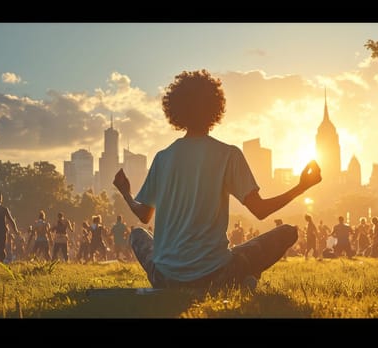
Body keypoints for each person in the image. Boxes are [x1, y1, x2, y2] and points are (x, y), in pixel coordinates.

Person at [113, 69, 321, 291]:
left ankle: (237, 281)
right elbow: (260, 210)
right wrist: (301, 186)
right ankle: (239, 281)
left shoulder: (162, 158)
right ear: (215, 108)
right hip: (214, 275)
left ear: (176, 110)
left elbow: (144, 215)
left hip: (164, 278)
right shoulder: (228, 155)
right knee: (288, 232)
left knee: (137, 234)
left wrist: (126, 193)